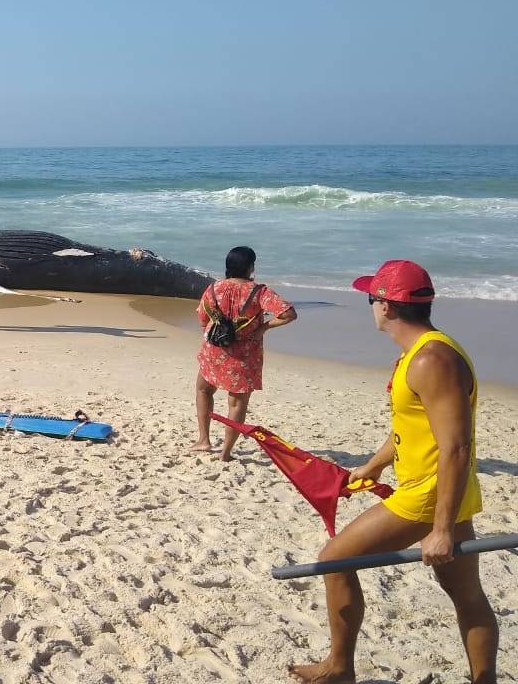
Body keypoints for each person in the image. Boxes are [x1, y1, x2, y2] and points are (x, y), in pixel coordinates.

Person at [288, 260, 497, 684]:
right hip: (440, 490)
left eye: (371, 298)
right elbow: (411, 428)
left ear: (385, 306)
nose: (371, 307)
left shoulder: (430, 360)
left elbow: (456, 446)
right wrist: (369, 467)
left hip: (429, 495)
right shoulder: (420, 353)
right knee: (464, 592)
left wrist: (439, 528)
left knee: (333, 561)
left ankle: (339, 668)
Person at [193, 246, 296, 460]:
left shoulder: (214, 288)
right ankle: (226, 452)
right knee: (237, 403)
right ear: (250, 268)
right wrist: (263, 327)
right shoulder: (259, 292)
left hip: (215, 350)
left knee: (203, 390)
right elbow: (288, 314)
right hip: (245, 354)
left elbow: (202, 317)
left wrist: (214, 335)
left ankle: (204, 440)